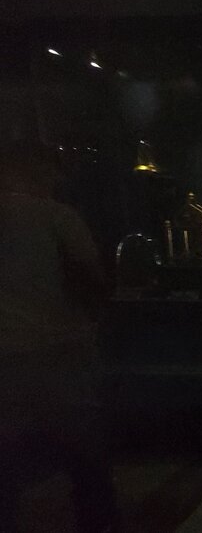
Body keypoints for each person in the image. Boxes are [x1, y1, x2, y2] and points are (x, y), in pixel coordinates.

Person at [0, 137, 118, 532]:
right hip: (60, 350)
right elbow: (90, 281)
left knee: (6, 456)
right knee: (84, 452)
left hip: (5, 356)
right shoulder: (56, 216)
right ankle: (98, 524)